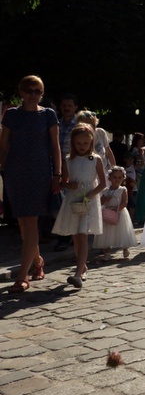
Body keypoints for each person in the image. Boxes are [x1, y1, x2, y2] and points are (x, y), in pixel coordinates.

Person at [0, 76, 62, 293]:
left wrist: (58, 173)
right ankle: (37, 261)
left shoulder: (48, 115)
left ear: (42, 94)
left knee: (30, 222)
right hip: (15, 174)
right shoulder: (11, 115)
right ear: (22, 92)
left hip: (39, 174)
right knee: (25, 226)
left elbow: (55, 147)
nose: (33, 94)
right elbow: (4, 145)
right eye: (29, 90)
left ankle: (22, 277)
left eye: (38, 91)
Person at [53, 123, 106, 288]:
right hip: (73, 201)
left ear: (91, 142)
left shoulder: (95, 159)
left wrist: (91, 193)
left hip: (88, 201)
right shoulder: (69, 160)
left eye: (85, 143)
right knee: (76, 236)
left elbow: (103, 183)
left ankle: (77, 273)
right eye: (78, 143)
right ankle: (82, 267)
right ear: (73, 143)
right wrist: (69, 185)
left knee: (82, 235)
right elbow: (64, 182)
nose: (82, 147)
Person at [93, 166, 137, 259]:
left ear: (123, 178)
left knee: (121, 231)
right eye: (115, 177)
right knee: (107, 233)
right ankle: (107, 252)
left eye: (119, 177)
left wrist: (117, 209)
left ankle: (125, 248)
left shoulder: (123, 189)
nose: (117, 179)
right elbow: (100, 202)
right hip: (107, 213)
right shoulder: (106, 190)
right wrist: (105, 199)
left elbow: (125, 202)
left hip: (119, 213)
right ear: (110, 178)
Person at [53, 93, 77, 251]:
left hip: (74, 168)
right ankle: (64, 236)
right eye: (64, 105)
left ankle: (70, 237)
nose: (67, 108)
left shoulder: (80, 126)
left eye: (70, 105)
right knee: (60, 205)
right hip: (57, 168)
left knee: (71, 204)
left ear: (75, 107)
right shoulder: (56, 124)